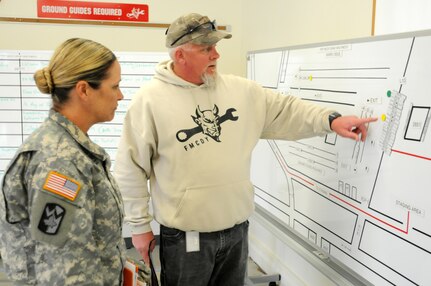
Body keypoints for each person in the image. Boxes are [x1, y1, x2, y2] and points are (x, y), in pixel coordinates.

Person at [114, 13, 377, 286]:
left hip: (236, 231)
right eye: (206, 49)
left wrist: (331, 120)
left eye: (216, 47)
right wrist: (139, 226)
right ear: (180, 56)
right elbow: (130, 168)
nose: (216, 54)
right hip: (186, 238)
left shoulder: (242, 92)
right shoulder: (150, 101)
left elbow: (288, 110)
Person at [0, 38, 126, 285]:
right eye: (115, 86)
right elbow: (65, 269)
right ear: (84, 90)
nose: (120, 96)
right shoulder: (59, 162)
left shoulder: (69, 148)